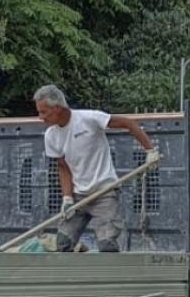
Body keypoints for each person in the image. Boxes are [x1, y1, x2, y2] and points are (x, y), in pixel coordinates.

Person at [35, 84, 160, 252]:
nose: (40, 117)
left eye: (43, 112)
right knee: (63, 243)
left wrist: (150, 150)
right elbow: (63, 167)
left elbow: (128, 123)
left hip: (104, 193)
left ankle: (108, 274)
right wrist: (67, 197)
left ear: (57, 108)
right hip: (79, 196)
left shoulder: (89, 119)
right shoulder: (51, 135)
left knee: (107, 244)